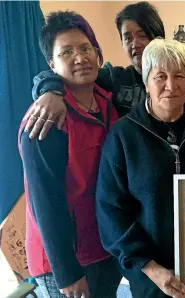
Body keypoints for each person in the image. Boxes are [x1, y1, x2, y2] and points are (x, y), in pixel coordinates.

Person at [95, 38, 185, 298]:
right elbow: (111, 210)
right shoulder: (123, 135)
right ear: (146, 82)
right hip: (151, 277)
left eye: (179, 75)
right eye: (161, 76)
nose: (170, 85)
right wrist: (149, 267)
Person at [18, 11, 122, 298]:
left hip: (102, 247)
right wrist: (67, 273)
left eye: (85, 48)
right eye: (67, 52)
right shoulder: (46, 121)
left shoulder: (107, 102)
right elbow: (45, 203)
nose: (80, 57)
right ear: (51, 64)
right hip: (65, 262)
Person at [25, 1, 165, 139]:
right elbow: (68, 74)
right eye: (127, 38)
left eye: (143, 35)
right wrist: (51, 91)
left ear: (158, 37)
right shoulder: (115, 78)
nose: (135, 44)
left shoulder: (180, 79)